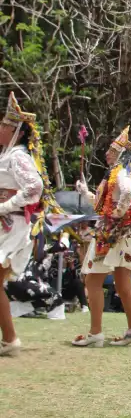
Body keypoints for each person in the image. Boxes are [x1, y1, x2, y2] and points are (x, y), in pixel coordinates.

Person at [73, 127, 131, 347]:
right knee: (123, 284)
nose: (107, 153)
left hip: (111, 232)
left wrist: (116, 216)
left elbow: (128, 194)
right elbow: (102, 203)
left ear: (120, 154)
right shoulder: (118, 174)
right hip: (122, 233)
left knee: (93, 280)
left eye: (111, 150)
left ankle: (96, 333)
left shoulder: (121, 173)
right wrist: (85, 192)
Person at [0, 93, 44, 356]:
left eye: (4, 125)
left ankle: (11, 339)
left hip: (11, 225)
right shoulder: (8, 155)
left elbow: (34, 186)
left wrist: (5, 206)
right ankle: (9, 339)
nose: (0, 128)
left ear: (15, 130)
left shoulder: (17, 155)